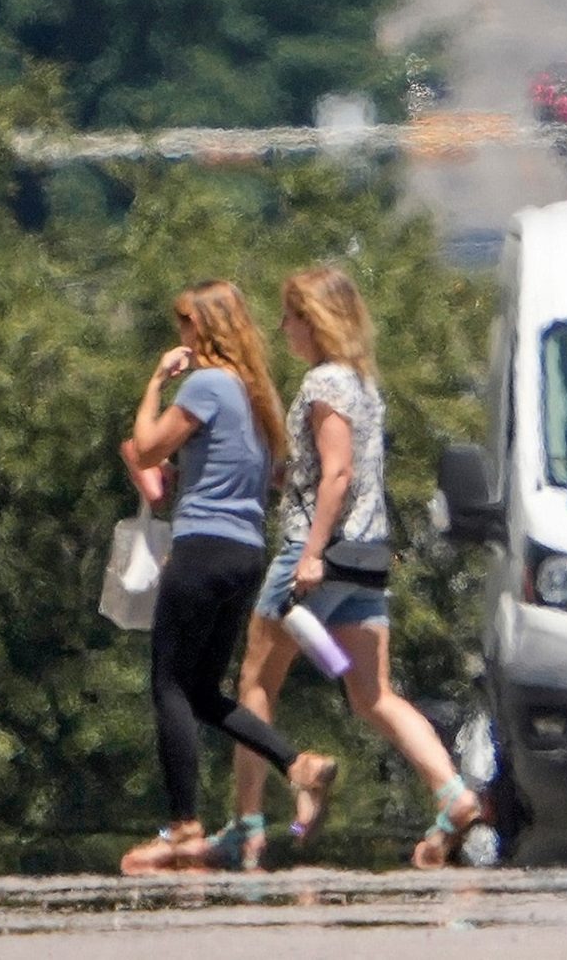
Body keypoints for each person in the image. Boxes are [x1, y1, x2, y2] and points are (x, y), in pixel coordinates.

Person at [215, 267, 485, 870]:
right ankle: (452, 794)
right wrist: (286, 479)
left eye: (289, 318)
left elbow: (338, 473)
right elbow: (333, 472)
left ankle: (248, 823)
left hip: (318, 558)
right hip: (365, 560)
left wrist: (309, 551)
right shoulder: (364, 384)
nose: (283, 329)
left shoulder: (325, 384)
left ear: (313, 321)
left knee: (256, 684)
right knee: (371, 694)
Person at [117, 281, 338, 874]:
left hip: (202, 548)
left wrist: (155, 383)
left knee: (167, 684)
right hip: (243, 554)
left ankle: (183, 826)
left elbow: (144, 449)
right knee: (204, 692)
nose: (181, 335)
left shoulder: (207, 385)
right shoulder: (256, 395)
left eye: (187, 323)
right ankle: (300, 767)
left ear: (207, 328)